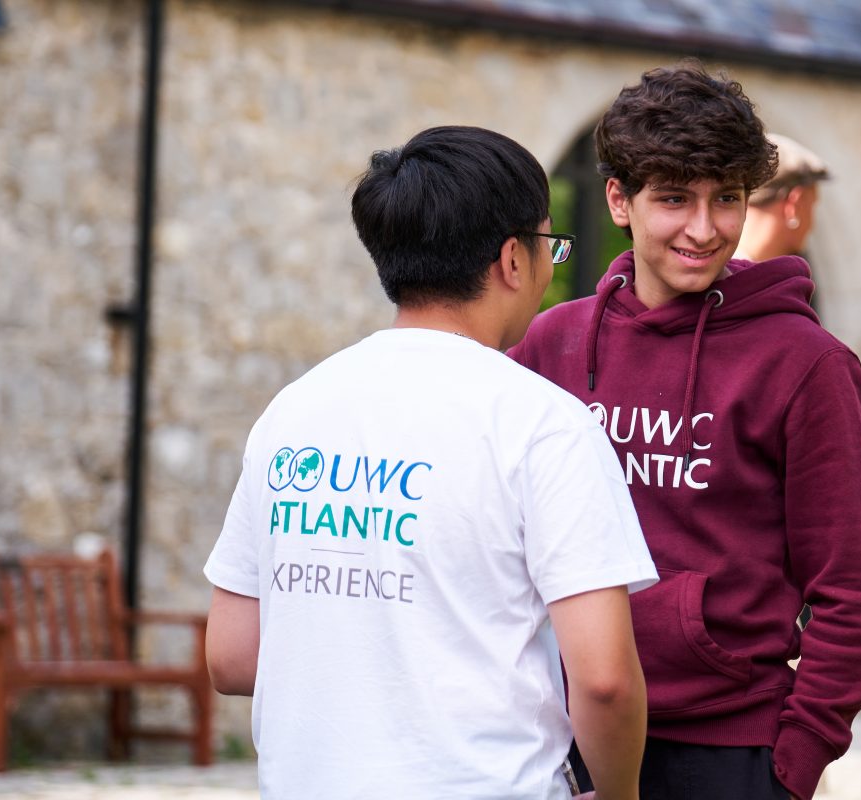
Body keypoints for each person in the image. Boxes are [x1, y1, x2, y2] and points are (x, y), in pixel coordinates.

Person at [202, 126, 656, 800]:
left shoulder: (293, 412)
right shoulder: (542, 424)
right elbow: (605, 680)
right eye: (548, 246)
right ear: (512, 259)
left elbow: (232, 657)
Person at [511, 63, 861, 800]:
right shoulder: (551, 345)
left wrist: (793, 767)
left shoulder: (805, 364)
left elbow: (852, 592)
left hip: (728, 752)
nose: (705, 228)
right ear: (619, 199)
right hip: (557, 733)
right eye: (675, 199)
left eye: (727, 200)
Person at [734, 133, 830, 262]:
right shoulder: (753, 279)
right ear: (795, 205)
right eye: (812, 206)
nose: (812, 225)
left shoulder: (712, 270)